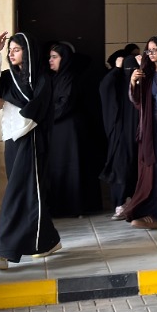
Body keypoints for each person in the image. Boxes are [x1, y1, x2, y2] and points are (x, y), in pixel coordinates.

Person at [0, 31, 60, 269]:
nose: (11, 53)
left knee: (17, 194)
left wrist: (7, 101)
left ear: (28, 52)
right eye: (10, 50)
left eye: (16, 49)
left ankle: (2, 253)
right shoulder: (9, 77)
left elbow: (35, 110)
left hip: (30, 139)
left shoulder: (42, 79)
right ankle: (48, 241)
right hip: (12, 139)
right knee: (26, 191)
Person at [43, 42, 102, 217]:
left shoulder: (70, 77)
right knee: (59, 165)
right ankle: (62, 206)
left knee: (71, 164)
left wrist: (44, 116)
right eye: (50, 57)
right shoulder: (55, 78)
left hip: (69, 129)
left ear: (65, 59)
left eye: (54, 57)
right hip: (58, 129)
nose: (50, 60)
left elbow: (65, 104)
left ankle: (75, 206)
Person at [116, 37, 157, 230]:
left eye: (155, 49)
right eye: (149, 50)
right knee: (153, 171)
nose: (151, 54)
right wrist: (134, 82)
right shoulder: (148, 74)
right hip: (152, 128)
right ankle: (152, 213)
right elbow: (137, 102)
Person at [98, 45, 139, 209]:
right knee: (120, 167)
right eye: (127, 69)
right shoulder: (116, 84)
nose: (130, 72)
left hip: (137, 135)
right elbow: (105, 87)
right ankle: (120, 203)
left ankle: (132, 201)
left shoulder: (138, 85)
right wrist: (116, 70)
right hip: (120, 135)